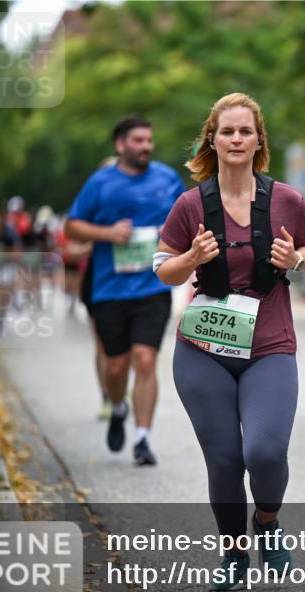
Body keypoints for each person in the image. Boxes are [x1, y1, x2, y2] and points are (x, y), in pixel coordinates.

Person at [154, 93, 305, 590]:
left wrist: (295, 259)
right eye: (227, 131)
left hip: (268, 345)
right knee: (225, 457)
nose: (236, 139)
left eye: (245, 131)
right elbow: (163, 267)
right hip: (204, 349)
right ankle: (232, 553)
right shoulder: (191, 204)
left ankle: (266, 522)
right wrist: (191, 259)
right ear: (213, 138)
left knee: (265, 452)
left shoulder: (287, 200)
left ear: (258, 140)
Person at [65, 116, 184, 466]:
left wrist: (172, 230)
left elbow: (189, 217)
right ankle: (118, 407)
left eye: (149, 140)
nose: (146, 145)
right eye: (138, 140)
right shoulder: (100, 183)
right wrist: (107, 234)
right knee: (116, 367)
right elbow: (71, 226)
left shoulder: (167, 178)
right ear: (120, 145)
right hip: (109, 290)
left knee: (145, 359)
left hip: (153, 285)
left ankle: (143, 439)